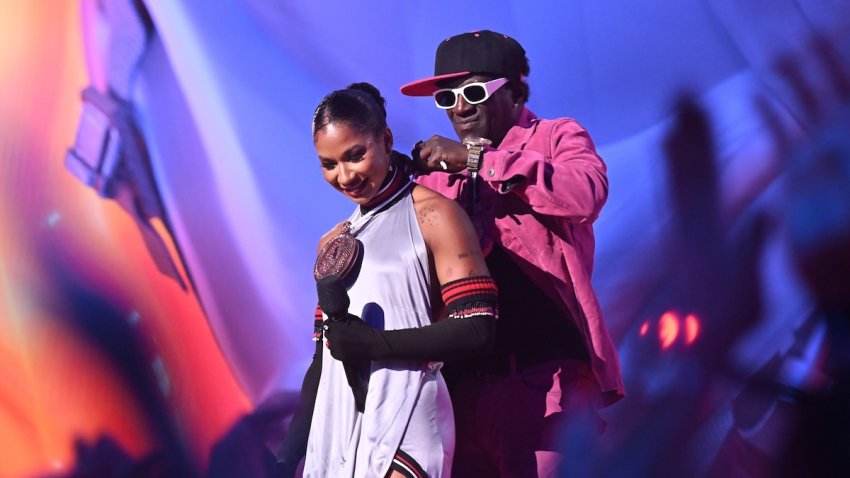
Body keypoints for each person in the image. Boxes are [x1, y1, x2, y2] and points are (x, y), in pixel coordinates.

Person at [396, 30, 626, 476]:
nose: (460, 108)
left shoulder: (557, 137)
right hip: (461, 392)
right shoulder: (434, 178)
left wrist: (479, 160)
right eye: (447, 97)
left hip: (544, 378)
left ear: (517, 92)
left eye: (475, 92)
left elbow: (586, 194)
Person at [275, 83, 499, 477]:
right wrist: (286, 455)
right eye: (329, 164)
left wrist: (375, 344)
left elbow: (478, 326)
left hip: (407, 416)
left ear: (386, 139)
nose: (345, 176)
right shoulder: (333, 242)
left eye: (355, 155)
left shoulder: (434, 215)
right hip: (336, 434)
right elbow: (322, 362)